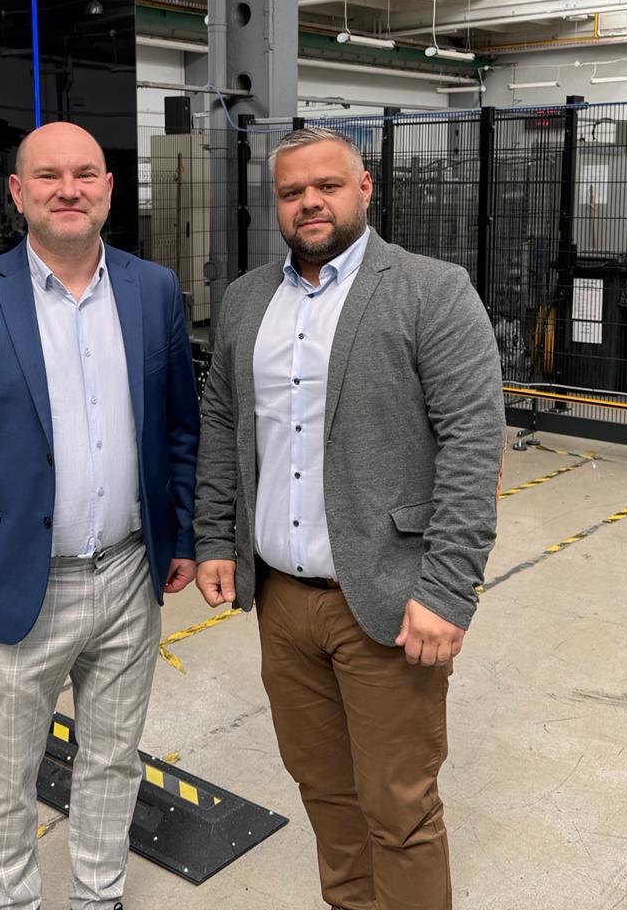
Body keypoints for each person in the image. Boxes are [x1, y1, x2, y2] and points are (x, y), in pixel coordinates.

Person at [193, 124, 504, 910]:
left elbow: (473, 445)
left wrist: (448, 591)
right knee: (325, 793)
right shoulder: (246, 301)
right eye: (292, 192)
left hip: (388, 601)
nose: (310, 203)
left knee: (399, 808)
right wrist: (215, 536)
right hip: (281, 603)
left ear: (365, 188)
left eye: (327, 186)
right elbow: (223, 422)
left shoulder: (432, 291)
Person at [0, 121, 199, 910]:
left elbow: (179, 428)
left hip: (129, 574)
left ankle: (99, 897)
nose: (69, 190)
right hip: (15, 585)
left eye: (86, 174)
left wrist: (182, 535)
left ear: (108, 188)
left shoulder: (153, 290)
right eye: (49, 176)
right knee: (7, 776)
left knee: (113, 760)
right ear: (17, 193)